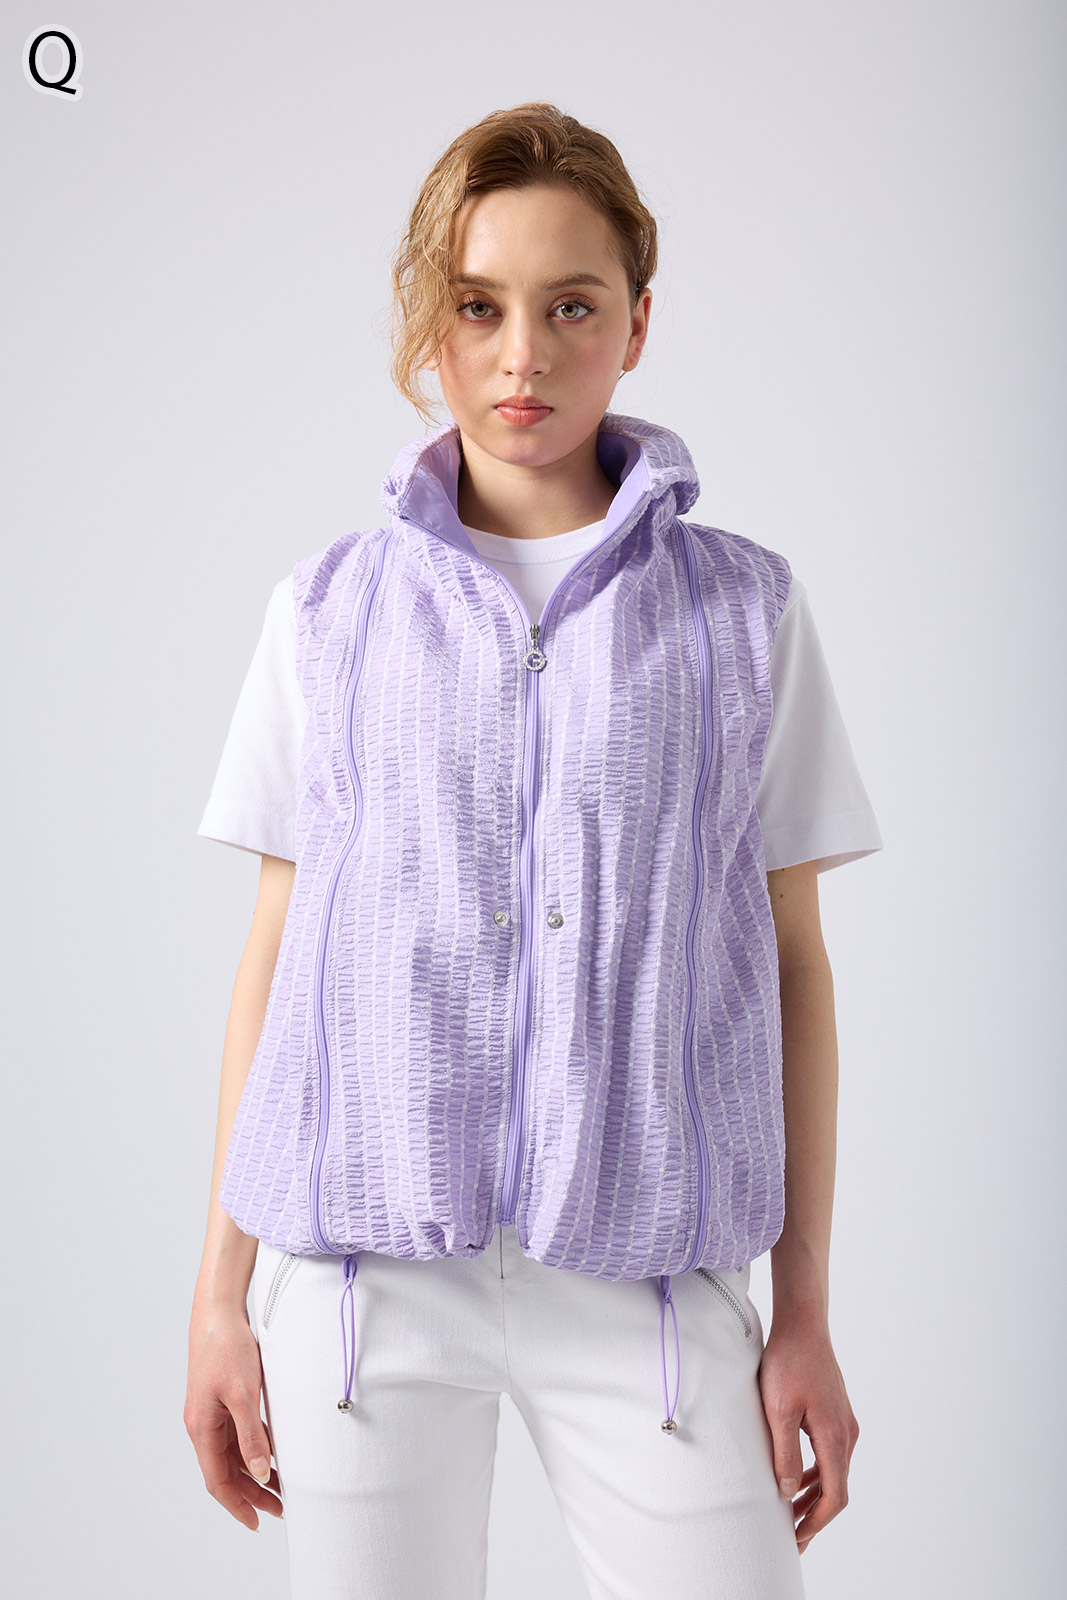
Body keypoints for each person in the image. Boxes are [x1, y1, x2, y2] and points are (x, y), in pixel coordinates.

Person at [184, 101, 882, 1600]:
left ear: (637, 323)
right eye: (479, 307)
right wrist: (218, 1299)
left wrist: (804, 1312)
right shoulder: (328, 616)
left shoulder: (743, 615)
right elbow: (277, 958)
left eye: (572, 306)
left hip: (651, 1282)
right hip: (367, 1289)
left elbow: (796, 969)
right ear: (430, 324)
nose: (524, 356)